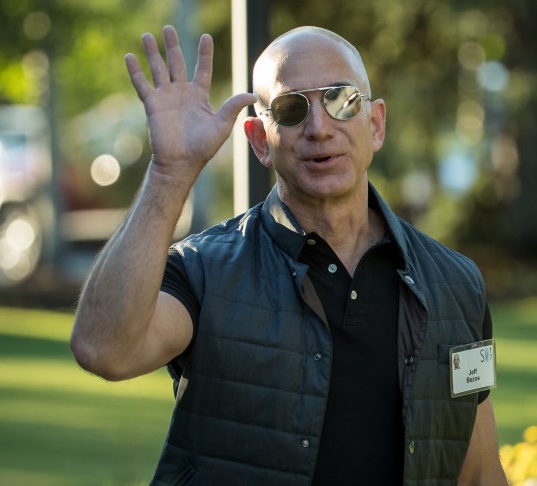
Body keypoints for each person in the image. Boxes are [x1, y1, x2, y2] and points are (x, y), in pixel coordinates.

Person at [70, 25, 509, 486]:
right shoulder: (205, 270)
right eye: (291, 109)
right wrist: (169, 172)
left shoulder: (456, 284)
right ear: (260, 140)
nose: (319, 128)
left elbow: (478, 471)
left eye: (341, 100)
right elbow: (104, 352)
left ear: (375, 124)